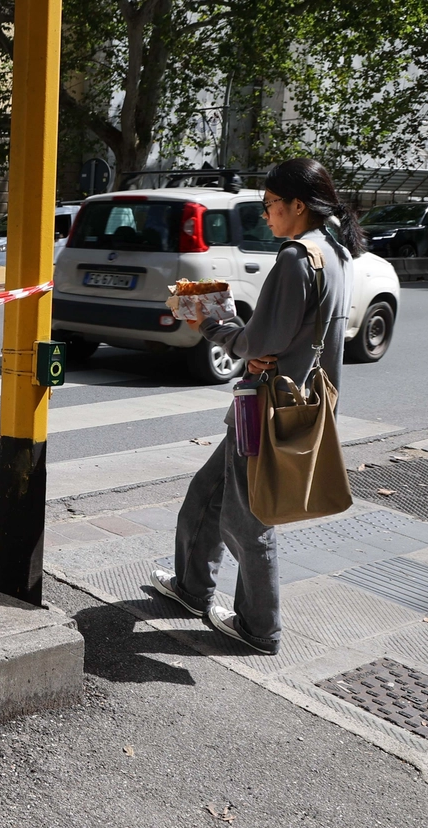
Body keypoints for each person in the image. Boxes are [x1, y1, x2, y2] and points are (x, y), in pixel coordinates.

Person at [150, 158, 364, 655]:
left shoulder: (296, 257)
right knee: (207, 493)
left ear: (297, 204)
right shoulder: (334, 249)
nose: (266, 214)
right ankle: (191, 588)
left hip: (265, 407)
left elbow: (256, 342)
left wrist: (206, 318)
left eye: (270, 204)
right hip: (294, 398)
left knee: (247, 519)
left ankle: (258, 626)